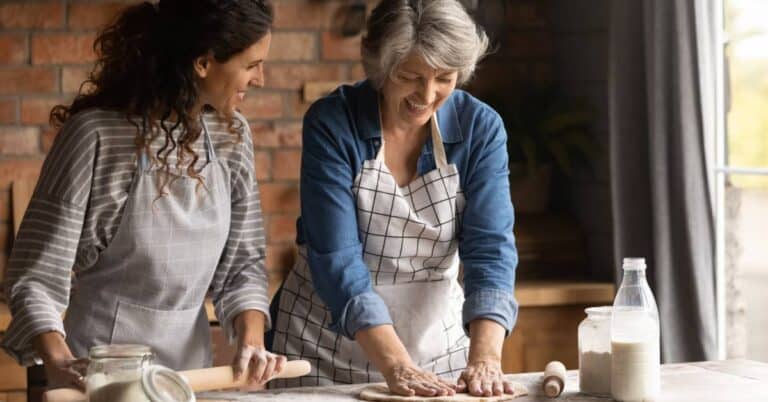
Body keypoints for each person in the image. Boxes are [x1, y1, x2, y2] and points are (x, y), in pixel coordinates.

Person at [1, 0, 284, 391]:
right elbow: (34, 277)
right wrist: (60, 361)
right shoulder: (95, 136)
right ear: (203, 63)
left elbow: (242, 266)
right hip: (100, 378)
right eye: (251, 65)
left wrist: (252, 342)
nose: (260, 78)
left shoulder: (232, 136)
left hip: (189, 378)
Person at [269, 0, 518, 397]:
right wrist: (396, 364)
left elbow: (490, 249)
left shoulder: (480, 129)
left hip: (438, 351)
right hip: (321, 349)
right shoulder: (334, 123)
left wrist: (485, 358)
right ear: (381, 68)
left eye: (445, 78)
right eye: (410, 76)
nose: (428, 93)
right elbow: (337, 259)